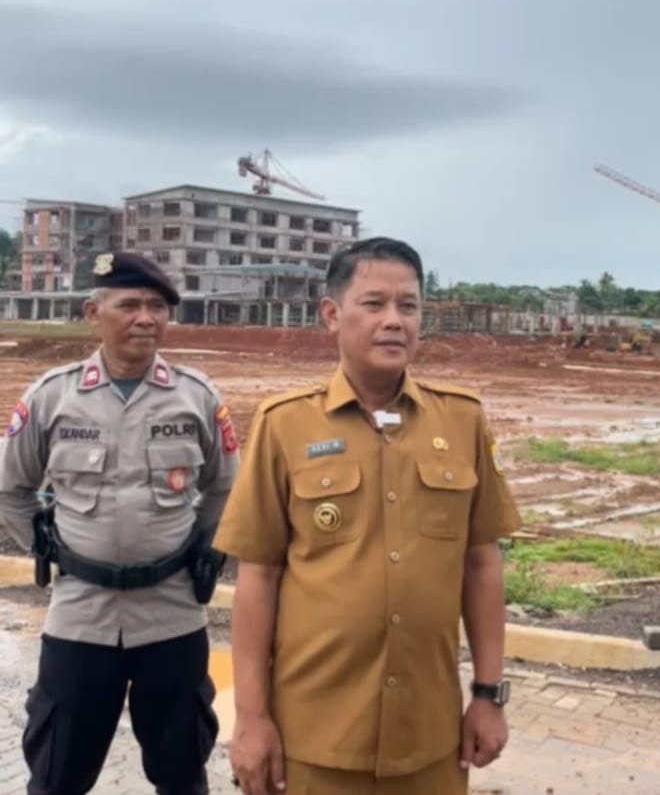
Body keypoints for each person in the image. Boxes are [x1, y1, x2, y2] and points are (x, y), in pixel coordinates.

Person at [213, 236, 522, 795]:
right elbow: (258, 576)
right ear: (331, 314)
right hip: (312, 739)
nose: (394, 321)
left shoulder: (462, 422)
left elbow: (482, 565)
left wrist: (488, 695)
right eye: (374, 304)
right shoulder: (285, 425)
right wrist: (251, 719)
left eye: (409, 306)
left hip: (430, 738)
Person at [0, 252, 239, 795]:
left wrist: (202, 549)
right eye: (129, 305)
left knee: (182, 774)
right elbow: (10, 490)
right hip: (80, 617)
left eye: (157, 306)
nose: (145, 318)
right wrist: (49, 547)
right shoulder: (52, 396)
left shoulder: (196, 397)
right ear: (94, 313)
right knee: (57, 775)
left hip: (172, 616)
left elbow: (225, 487)